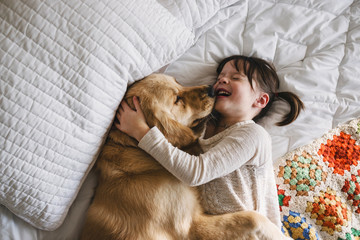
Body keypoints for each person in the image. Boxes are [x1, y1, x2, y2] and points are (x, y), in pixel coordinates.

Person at [114, 55, 304, 229]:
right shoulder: (203, 129)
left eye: (236, 77)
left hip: (250, 232)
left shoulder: (252, 135)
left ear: (260, 100)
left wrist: (141, 132)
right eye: (220, 76)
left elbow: (195, 172)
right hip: (212, 229)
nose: (222, 79)